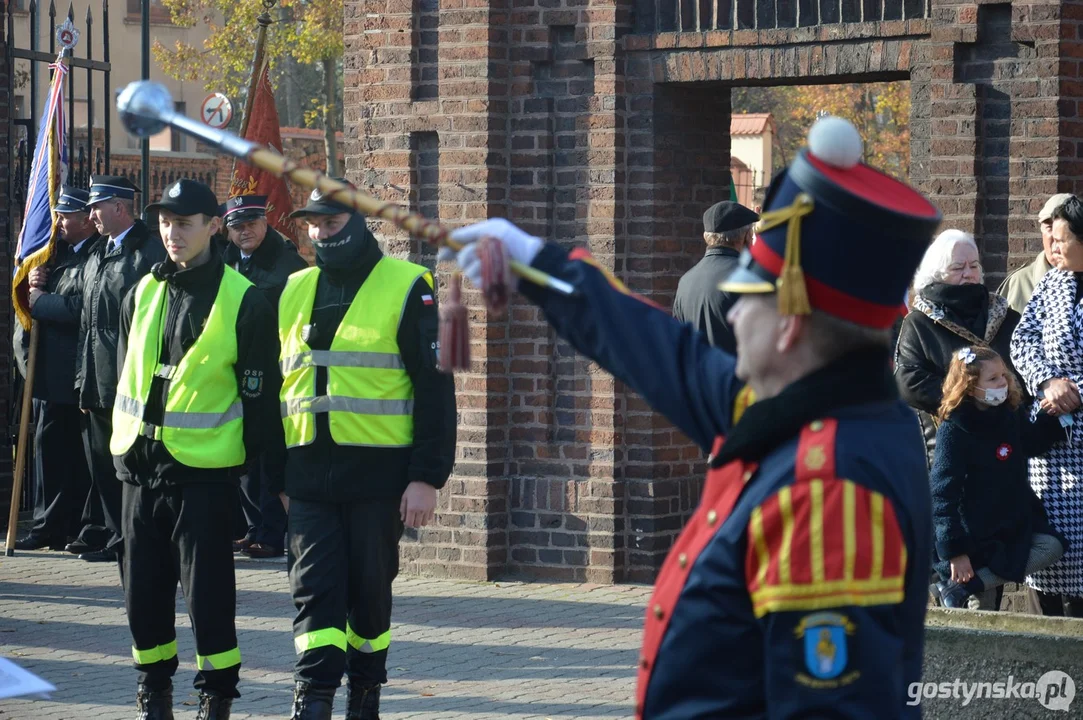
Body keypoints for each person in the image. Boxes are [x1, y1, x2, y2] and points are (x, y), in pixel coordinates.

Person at [444, 117, 938, 718]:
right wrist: (535, 263)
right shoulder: (805, 409)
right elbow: (663, 355)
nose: (730, 319)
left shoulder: (828, 487)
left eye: (744, 301)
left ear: (788, 324)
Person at [276, 182, 456, 720]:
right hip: (308, 477)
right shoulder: (292, 289)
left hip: (379, 478)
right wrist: (280, 479)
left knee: (369, 592)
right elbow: (283, 390)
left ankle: (365, 693)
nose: (320, 233)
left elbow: (435, 388)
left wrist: (426, 476)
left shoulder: (408, 286)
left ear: (358, 222)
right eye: (313, 225)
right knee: (312, 590)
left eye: (330, 224)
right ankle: (313, 698)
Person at [111, 179, 281, 720]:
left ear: (213, 226)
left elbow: (259, 400)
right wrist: (122, 453)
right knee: (143, 594)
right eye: (164, 221)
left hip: (204, 475)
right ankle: (154, 692)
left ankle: (215, 698)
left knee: (208, 598)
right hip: (140, 469)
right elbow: (127, 374)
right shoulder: (141, 291)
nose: (171, 232)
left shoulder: (244, 298)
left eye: (184, 223)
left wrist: (257, 477)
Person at [70, 176, 166, 562]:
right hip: (95, 377)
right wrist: (82, 378)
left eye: (97, 207)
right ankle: (115, 536)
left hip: (128, 378)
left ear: (120, 207)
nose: (90, 214)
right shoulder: (97, 253)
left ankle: (134, 537)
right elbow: (86, 323)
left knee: (129, 464)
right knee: (100, 463)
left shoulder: (148, 252)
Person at [929, 346, 1065, 608]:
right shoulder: (955, 429)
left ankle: (961, 588)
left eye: (1003, 375)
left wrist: (1051, 416)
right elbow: (942, 495)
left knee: (1052, 546)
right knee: (982, 610)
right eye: (993, 379)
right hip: (972, 536)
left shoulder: (1008, 414)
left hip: (1008, 526)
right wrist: (955, 552)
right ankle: (964, 588)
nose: (1002, 383)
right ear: (969, 386)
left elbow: (1031, 443)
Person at [221, 194, 308, 559]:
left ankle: (273, 534)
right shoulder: (225, 261)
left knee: (272, 455)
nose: (246, 231)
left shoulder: (286, 263)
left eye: (252, 223)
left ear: (265, 222)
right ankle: (253, 526)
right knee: (243, 455)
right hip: (233, 370)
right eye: (237, 226)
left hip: (272, 371)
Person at [12, 187, 98, 550]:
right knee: (48, 451)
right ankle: (48, 524)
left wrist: (44, 302)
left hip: (78, 371)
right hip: (49, 373)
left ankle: (79, 524)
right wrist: (34, 285)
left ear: (87, 219)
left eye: (68, 216)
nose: (60, 223)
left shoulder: (96, 255)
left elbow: (85, 309)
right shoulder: (51, 255)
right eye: (58, 216)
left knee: (80, 457)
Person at [895, 229, 1024, 468]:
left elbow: (1025, 367)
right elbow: (909, 381)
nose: (968, 274)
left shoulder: (1006, 317)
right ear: (937, 274)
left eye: (974, 266)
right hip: (950, 449)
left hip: (1006, 446)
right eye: (957, 268)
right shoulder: (920, 322)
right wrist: (972, 401)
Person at [1011, 195, 1083, 618]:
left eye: (1060, 240)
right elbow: (1023, 340)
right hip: (1052, 444)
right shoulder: (1053, 281)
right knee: (1052, 566)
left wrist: (1077, 390)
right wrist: (1047, 383)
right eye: (1050, 239)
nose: (1052, 248)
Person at [672, 201, 759, 353]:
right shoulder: (749, 278)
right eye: (751, 235)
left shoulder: (685, 281)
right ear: (745, 237)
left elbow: (679, 342)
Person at [998, 193, 1072, 314]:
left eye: (1066, 228)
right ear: (1041, 231)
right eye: (1049, 227)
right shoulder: (1019, 283)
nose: (1056, 236)